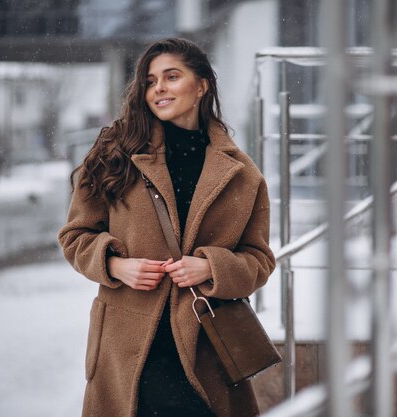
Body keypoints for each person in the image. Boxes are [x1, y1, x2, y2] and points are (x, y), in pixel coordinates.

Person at [58, 38, 276, 417]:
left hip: (206, 349)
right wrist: (114, 265)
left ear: (202, 84)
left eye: (171, 77)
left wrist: (212, 267)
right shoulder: (115, 154)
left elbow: (259, 260)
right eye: (150, 80)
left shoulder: (241, 174)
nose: (158, 88)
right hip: (127, 349)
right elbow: (75, 235)